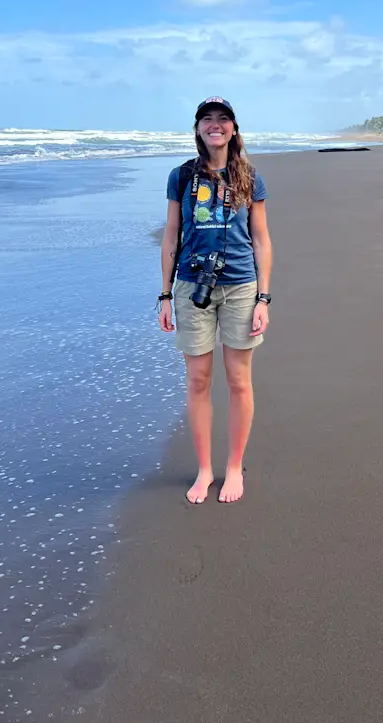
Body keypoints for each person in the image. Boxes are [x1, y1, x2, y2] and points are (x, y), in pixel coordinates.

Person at [158, 97, 272, 504]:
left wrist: (263, 297)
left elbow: (260, 238)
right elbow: (171, 234)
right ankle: (205, 470)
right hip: (191, 285)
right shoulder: (181, 176)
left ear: (234, 129)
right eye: (207, 119)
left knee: (239, 380)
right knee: (198, 380)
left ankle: (234, 467)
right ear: (198, 129)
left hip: (241, 285)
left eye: (223, 120)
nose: (215, 125)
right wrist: (166, 294)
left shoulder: (249, 177)